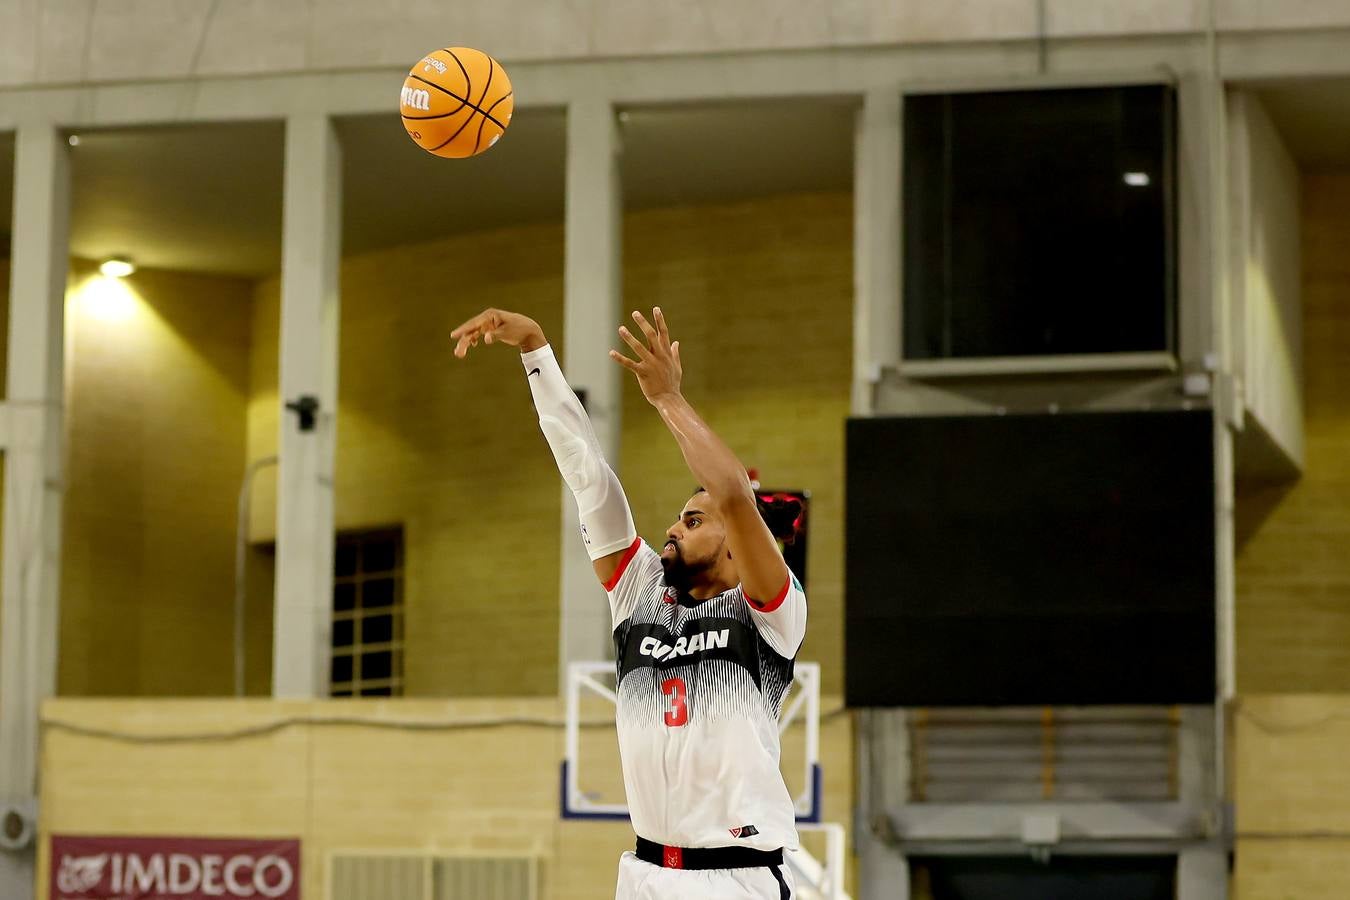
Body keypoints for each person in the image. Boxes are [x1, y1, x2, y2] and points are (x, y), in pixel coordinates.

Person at [451, 307, 807, 900]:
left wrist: (667, 398)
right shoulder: (639, 592)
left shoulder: (770, 612)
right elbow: (587, 474)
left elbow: (733, 496)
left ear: (735, 544)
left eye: (692, 520)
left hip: (737, 878)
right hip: (644, 874)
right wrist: (537, 351)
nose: (673, 527)